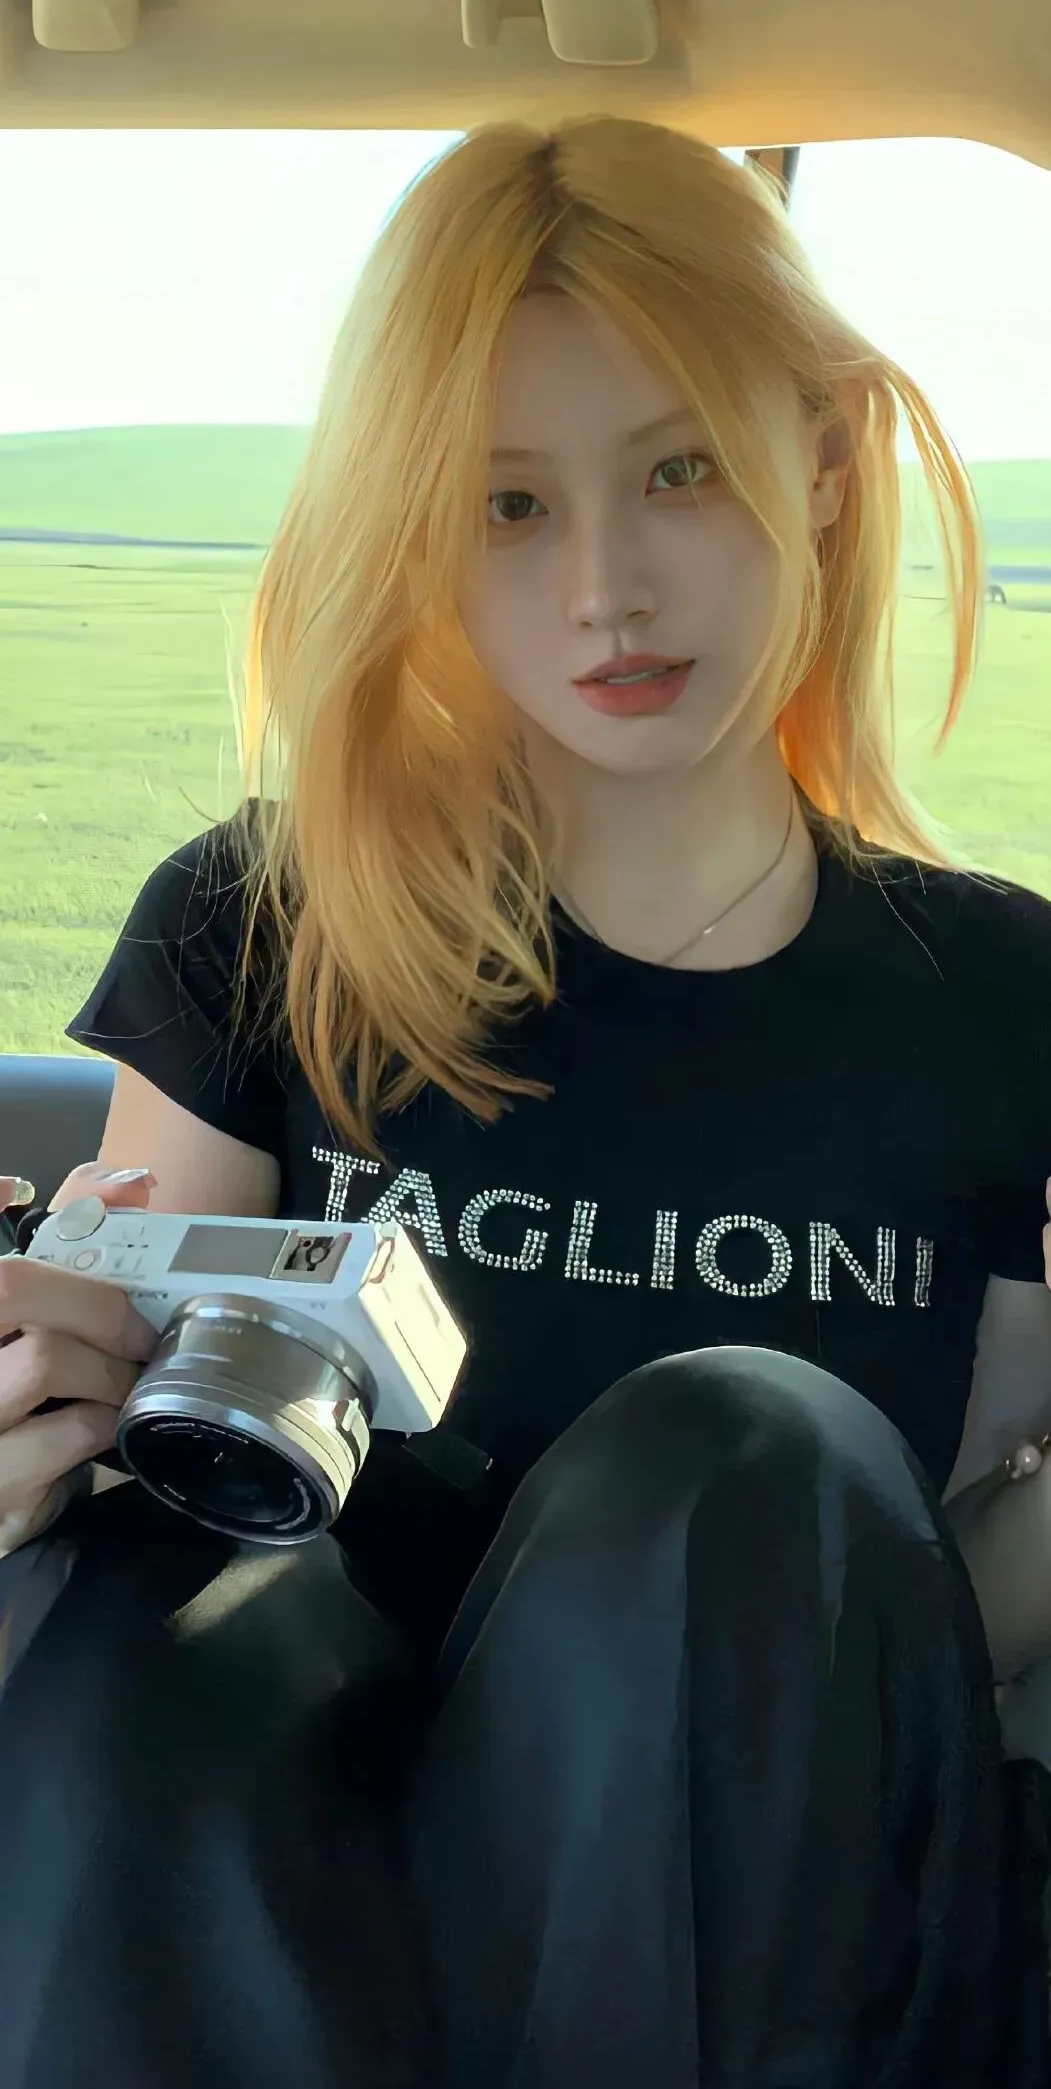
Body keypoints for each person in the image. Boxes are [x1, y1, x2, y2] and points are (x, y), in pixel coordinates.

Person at [2, 115, 1051, 2086]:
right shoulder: (265, 924)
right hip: (311, 1877)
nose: (605, 591)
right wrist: (33, 1438)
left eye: (678, 471)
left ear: (821, 469)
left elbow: (965, 1589)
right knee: (141, 1611)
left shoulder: (1005, 1004)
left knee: (741, 1456)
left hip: (763, 1907)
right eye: (506, 505)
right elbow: (164, 1487)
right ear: (416, 531)